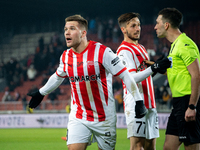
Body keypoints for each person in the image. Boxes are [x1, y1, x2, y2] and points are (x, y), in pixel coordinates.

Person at [27, 14, 150, 150]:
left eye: (72, 28)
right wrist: (41, 92)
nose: (67, 32)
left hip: (104, 118)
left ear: (83, 33)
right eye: (65, 29)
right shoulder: (66, 56)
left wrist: (138, 101)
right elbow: (58, 76)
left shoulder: (102, 52)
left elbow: (126, 75)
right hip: (79, 116)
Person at [117, 12, 171, 150]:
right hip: (136, 104)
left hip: (150, 102)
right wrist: (154, 68)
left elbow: (145, 74)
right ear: (123, 29)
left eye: (139, 25)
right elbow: (130, 77)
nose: (138, 28)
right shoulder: (123, 51)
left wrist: (156, 67)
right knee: (137, 146)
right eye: (133, 26)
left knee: (150, 147)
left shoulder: (141, 48)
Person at [154, 8, 200, 150]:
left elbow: (196, 75)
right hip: (178, 103)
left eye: (157, 23)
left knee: (191, 147)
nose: (155, 27)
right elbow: (178, 72)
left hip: (187, 101)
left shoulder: (185, 44)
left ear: (166, 25)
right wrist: (155, 67)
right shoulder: (174, 45)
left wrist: (192, 106)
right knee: (168, 147)